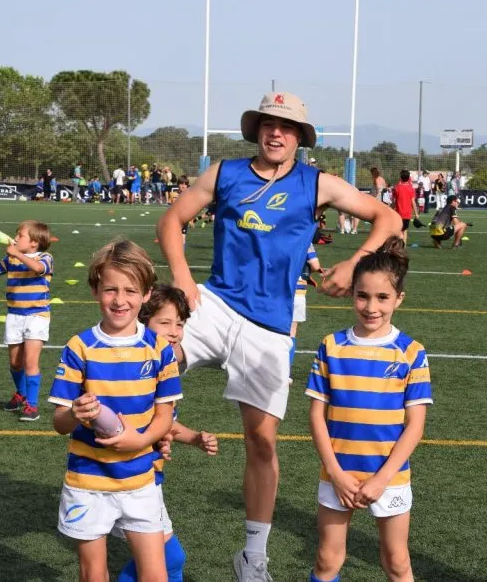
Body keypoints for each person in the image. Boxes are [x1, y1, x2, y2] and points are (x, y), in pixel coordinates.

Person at [157, 91, 401, 580]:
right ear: (257, 129)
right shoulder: (223, 173)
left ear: (299, 138)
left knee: (262, 441)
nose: (276, 132)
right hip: (217, 304)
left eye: (287, 127)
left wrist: (353, 264)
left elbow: (389, 219)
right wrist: (182, 277)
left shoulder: (317, 183)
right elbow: (172, 220)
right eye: (269, 123)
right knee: (149, 360)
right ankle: (133, 494)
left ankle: (252, 556)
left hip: (271, 323)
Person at [48, 239, 182, 582]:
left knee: (156, 574)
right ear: (96, 290)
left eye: (130, 290)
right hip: (88, 482)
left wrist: (137, 441)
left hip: (140, 480)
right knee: (94, 574)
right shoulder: (79, 347)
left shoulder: (160, 349)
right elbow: (59, 422)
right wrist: (76, 412)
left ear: (147, 294)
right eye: (110, 289)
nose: (120, 300)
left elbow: (165, 415)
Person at [306, 238, 431, 582]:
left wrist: (382, 479)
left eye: (382, 297)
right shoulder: (331, 346)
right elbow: (317, 415)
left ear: (398, 299)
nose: (371, 306)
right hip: (338, 473)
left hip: (389, 477)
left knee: (397, 562)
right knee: (327, 559)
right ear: (351, 294)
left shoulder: (411, 352)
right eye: (363, 295)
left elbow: (415, 425)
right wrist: (335, 472)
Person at [115, 284, 219, 582]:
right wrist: (149, 440)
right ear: (142, 322)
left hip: (148, 477)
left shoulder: (164, 365)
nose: (175, 331)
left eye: (180, 324)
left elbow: (164, 422)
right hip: (128, 477)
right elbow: (121, 421)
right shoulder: (135, 367)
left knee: (158, 562)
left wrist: (195, 438)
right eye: (165, 322)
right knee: (169, 559)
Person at [0, 221, 53, 422]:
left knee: (30, 362)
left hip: (36, 316)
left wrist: (17, 254)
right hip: (14, 315)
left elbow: (38, 269)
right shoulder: (11, 259)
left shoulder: (45, 257)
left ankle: (32, 406)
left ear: (34, 242)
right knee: (15, 363)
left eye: (20, 235)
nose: (15, 238)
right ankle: (21, 394)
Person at [289, 246, 323, 383]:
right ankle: (286, 372)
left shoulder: (273, 230)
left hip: (273, 289)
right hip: (297, 290)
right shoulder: (305, 236)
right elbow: (315, 265)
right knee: (291, 331)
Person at [390, 169, 420, 243]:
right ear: (409, 177)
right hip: (407, 214)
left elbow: (394, 201)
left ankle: (398, 246)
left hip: (398, 213)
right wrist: (416, 214)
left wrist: (390, 209)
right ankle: (403, 247)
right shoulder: (411, 189)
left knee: (398, 230)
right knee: (405, 231)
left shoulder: (397, 188)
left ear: (401, 177)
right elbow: (413, 202)